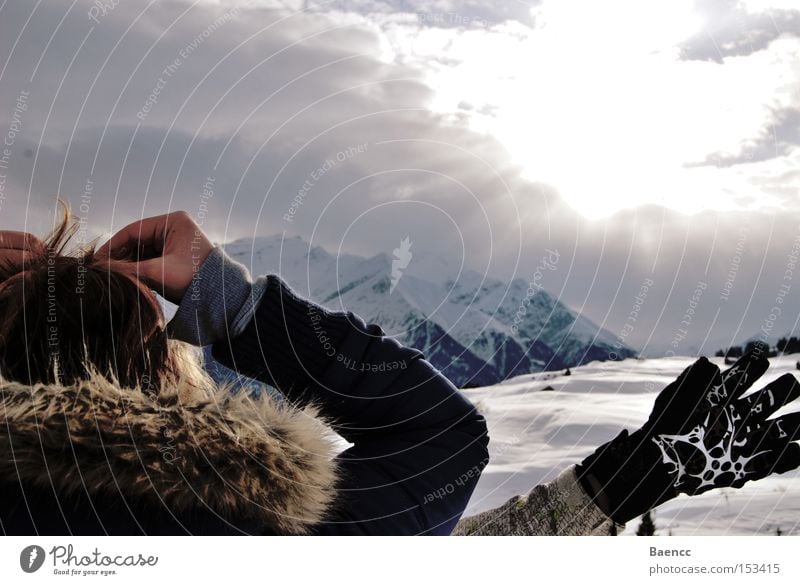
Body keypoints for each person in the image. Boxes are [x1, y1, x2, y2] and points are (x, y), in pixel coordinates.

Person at [1, 204, 798, 535]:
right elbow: (445, 438)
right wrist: (235, 306)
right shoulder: (249, 529)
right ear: (167, 381)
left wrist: (615, 484)